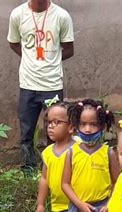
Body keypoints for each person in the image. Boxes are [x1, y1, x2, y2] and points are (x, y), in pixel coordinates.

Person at [7, 0, 74, 172]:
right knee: (26, 131)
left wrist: (49, 61)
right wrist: (30, 59)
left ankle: (53, 168)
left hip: (52, 84)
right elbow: (13, 43)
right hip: (28, 84)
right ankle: (28, 170)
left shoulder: (61, 16)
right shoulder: (17, 15)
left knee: (56, 130)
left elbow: (69, 48)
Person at [62, 99, 119, 212]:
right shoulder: (71, 153)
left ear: (102, 126)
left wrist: (109, 204)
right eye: (83, 124)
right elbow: (65, 184)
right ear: (76, 125)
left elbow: (117, 182)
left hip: (101, 210)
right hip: (78, 209)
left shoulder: (108, 153)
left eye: (93, 124)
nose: (88, 129)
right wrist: (79, 205)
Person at [35, 100, 74, 212]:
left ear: (71, 127)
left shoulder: (77, 150)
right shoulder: (47, 153)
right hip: (57, 209)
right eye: (49, 122)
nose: (50, 126)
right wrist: (40, 203)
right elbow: (44, 179)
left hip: (76, 207)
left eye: (57, 122)